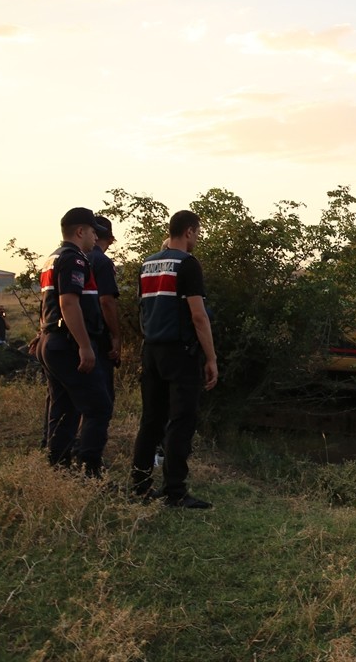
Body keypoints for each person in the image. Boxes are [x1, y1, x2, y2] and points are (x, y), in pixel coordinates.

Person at [130, 210, 218, 509]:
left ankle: (140, 486)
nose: (197, 239)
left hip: (151, 350)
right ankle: (175, 492)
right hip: (180, 352)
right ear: (190, 231)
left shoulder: (147, 263)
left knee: (151, 420)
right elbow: (198, 315)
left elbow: (143, 307)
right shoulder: (188, 264)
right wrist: (212, 358)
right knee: (182, 420)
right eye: (198, 233)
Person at [37, 207, 113, 477]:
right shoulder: (74, 259)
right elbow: (68, 303)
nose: (96, 237)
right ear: (80, 231)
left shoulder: (52, 258)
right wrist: (84, 345)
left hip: (51, 339)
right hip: (68, 342)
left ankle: (58, 469)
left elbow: (48, 303)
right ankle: (90, 472)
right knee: (99, 407)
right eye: (93, 231)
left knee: (64, 408)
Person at [89, 216, 122, 404]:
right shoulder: (102, 261)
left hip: (74, 336)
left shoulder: (74, 257)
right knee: (101, 401)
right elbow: (106, 301)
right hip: (98, 336)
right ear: (110, 239)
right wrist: (116, 336)